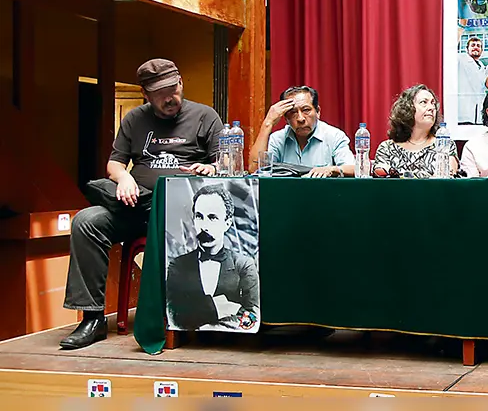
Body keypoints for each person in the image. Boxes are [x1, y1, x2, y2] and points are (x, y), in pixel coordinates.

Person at [61, 59, 223, 349]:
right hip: (136, 205)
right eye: (160, 93)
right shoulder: (134, 119)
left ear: (181, 83)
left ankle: (187, 313)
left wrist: (211, 168)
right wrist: (123, 178)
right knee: (87, 222)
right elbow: (115, 163)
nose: (169, 98)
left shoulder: (205, 116)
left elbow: (225, 162)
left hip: (183, 212)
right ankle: (92, 318)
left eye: (173, 89)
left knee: (173, 205)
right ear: (145, 94)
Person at [166, 184, 260, 331]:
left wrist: (205, 323)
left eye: (212, 217)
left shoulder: (244, 265)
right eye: (199, 217)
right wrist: (217, 307)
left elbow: (252, 318)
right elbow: (174, 317)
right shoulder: (177, 265)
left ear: (227, 223)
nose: (204, 226)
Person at [248, 85, 355, 178]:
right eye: (293, 112)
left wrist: (332, 169)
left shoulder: (334, 136)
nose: (300, 118)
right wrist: (268, 123)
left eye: (306, 110)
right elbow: (254, 170)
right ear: (285, 118)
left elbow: (354, 169)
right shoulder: (278, 139)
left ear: (317, 112)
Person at [372, 84, 458, 178]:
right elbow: (380, 182)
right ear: (407, 108)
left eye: (433, 103)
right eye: (424, 102)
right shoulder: (387, 148)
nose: (431, 108)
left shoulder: (444, 144)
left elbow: (449, 181)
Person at [458, 36, 488, 125]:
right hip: (463, 113)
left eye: (478, 46)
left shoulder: (482, 66)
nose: (476, 47)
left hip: (478, 114)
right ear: (467, 49)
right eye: (473, 45)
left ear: (482, 50)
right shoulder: (461, 60)